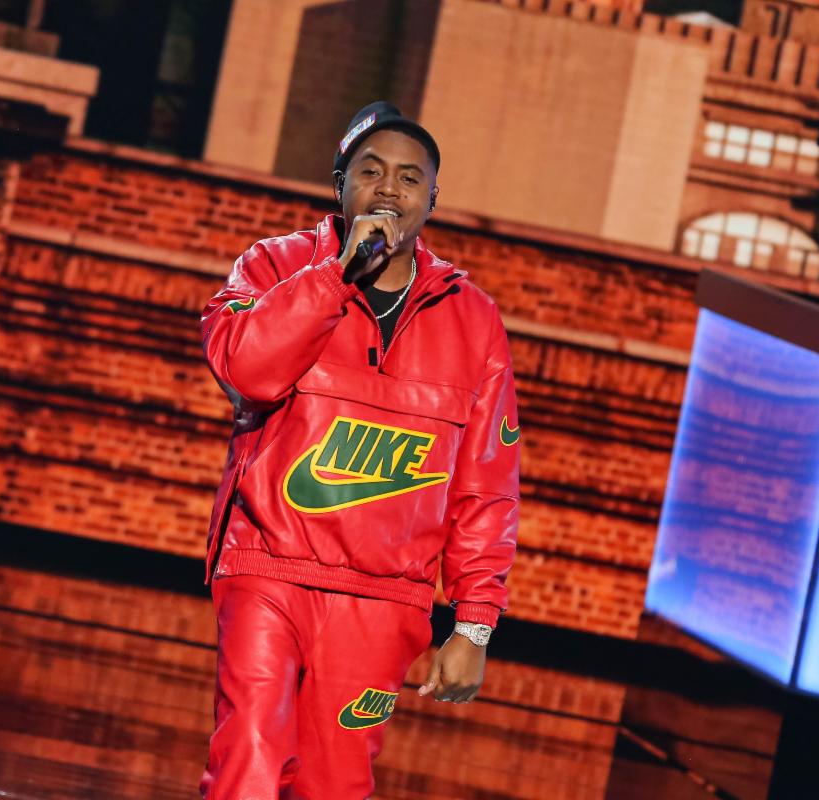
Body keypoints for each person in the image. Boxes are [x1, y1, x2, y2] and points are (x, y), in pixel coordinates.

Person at [196, 101, 521, 799]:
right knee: (249, 756)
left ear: (432, 198)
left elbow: (487, 487)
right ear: (339, 183)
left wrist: (474, 625)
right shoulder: (274, 266)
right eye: (370, 171)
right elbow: (248, 371)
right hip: (269, 566)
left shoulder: (474, 320)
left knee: (334, 784)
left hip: (383, 597)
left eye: (409, 177)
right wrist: (335, 275)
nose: (388, 189)